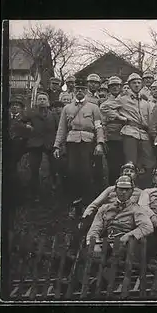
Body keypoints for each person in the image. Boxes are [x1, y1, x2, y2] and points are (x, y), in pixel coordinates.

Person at [53, 84, 105, 218]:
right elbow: (62, 128)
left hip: (88, 142)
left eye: (83, 88)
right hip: (72, 142)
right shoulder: (67, 108)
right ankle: (74, 204)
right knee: (72, 172)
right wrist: (57, 146)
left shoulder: (94, 107)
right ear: (74, 91)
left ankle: (87, 205)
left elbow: (99, 127)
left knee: (87, 172)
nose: (80, 91)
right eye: (77, 89)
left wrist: (99, 143)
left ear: (86, 90)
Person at [101, 73, 156, 189]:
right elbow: (104, 107)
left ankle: (144, 189)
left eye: (138, 83)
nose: (136, 85)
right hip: (130, 132)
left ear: (142, 84)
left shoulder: (146, 102)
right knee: (130, 163)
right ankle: (129, 189)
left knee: (149, 162)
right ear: (129, 85)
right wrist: (120, 117)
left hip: (144, 134)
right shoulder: (123, 99)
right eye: (134, 83)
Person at [85, 175, 154, 251]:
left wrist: (127, 236)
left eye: (127, 189)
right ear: (115, 190)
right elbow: (94, 229)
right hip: (105, 244)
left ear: (132, 191)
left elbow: (147, 227)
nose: (124, 192)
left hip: (125, 247)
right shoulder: (104, 208)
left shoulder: (137, 209)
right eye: (121, 189)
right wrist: (95, 244)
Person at [23, 92, 59, 201]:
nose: (42, 101)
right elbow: (20, 123)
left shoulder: (53, 115)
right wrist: (26, 126)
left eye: (44, 99)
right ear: (36, 101)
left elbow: (58, 128)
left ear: (48, 102)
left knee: (54, 166)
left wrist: (57, 143)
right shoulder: (31, 113)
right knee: (34, 168)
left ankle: (54, 188)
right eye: (40, 99)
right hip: (35, 144)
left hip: (50, 143)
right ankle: (34, 193)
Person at [99, 76, 125, 186]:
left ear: (121, 87)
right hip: (111, 136)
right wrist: (119, 116)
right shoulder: (105, 103)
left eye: (117, 85)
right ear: (109, 88)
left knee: (125, 164)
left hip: (125, 135)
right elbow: (103, 116)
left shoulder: (126, 99)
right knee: (113, 166)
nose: (115, 88)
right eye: (112, 86)